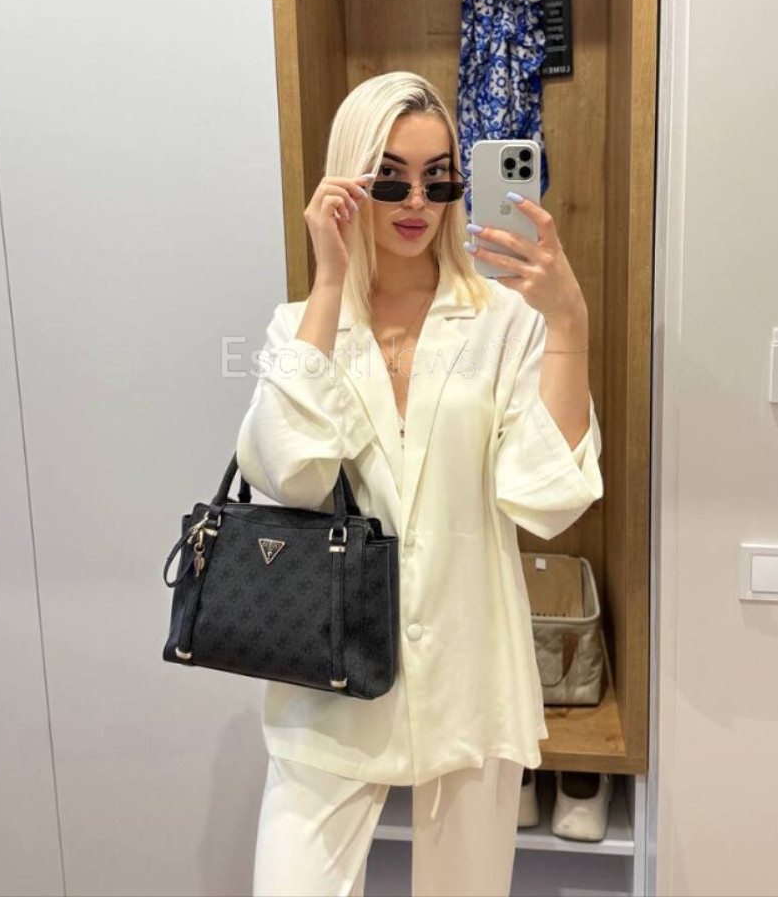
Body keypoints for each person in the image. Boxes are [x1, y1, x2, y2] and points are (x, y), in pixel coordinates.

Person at [236, 71, 604, 896]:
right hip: (326, 672)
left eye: (438, 178)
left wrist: (567, 322)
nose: (416, 201)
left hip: (470, 672)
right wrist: (328, 282)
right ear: (346, 182)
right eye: (389, 177)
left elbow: (545, 496)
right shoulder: (300, 326)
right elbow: (290, 474)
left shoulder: (504, 321)